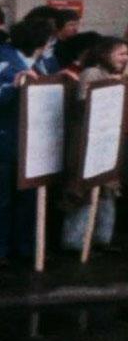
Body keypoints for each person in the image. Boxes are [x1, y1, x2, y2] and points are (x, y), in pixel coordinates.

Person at [0, 18, 53, 265]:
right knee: (0, 198)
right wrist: (12, 87)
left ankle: (24, 246)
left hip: (33, 145)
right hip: (3, 143)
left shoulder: (43, 65)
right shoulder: (3, 64)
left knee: (28, 199)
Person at [60, 37, 128, 254]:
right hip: (90, 139)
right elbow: (85, 105)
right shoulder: (92, 73)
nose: (125, 58)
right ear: (105, 54)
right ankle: (75, 240)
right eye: (121, 53)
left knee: (108, 189)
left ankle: (102, 237)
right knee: (87, 189)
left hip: (111, 139)